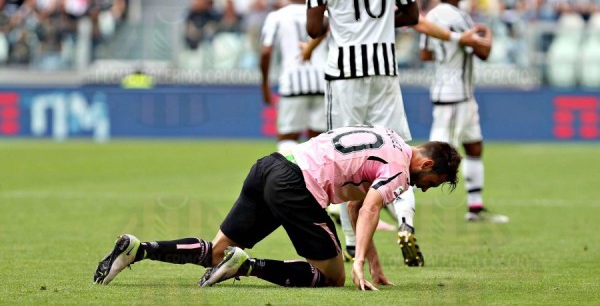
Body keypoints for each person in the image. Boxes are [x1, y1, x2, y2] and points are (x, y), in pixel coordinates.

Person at [303, 0, 486, 266]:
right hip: (384, 71)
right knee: (400, 155)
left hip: (344, 75)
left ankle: (352, 246)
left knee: (344, 161)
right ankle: (405, 223)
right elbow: (413, 15)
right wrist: (380, 23)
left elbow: (312, 28)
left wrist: (341, 20)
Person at [93, 125, 461, 290]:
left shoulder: (389, 138)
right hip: (298, 186)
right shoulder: (400, 169)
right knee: (333, 276)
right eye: (432, 182)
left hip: (270, 167)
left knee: (216, 253)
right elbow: (370, 210)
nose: (424, 188)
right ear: (427, 164)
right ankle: (247, 266)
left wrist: (375, 266)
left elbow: (356, 207)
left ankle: (140, 249)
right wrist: (358, 261)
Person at [420, 0, 509, 223]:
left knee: (473, 145)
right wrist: (487, 32)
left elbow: (425, 54)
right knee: (434, 156)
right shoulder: (458, 17)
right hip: (455, 93)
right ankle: (400, 199)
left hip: (454, 91)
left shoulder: (431, 15)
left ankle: (475, 207)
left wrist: (447, 54)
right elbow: (483, 52)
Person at [260, 0, 328, 154]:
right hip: (322, 82)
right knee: (319, 143)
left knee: (287, 139)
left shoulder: (277, 16)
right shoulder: (323, 15)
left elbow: (266, 51)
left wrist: (265, 84)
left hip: (292, 84)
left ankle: (289, 173)